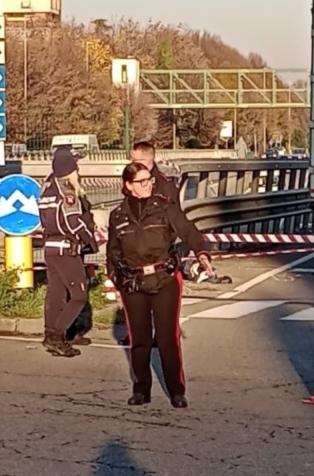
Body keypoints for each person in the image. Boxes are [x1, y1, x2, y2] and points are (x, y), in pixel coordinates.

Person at [106, 161, 213, 408]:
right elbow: (112, 251)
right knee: (139, 339)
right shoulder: (117, 215)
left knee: (167, 338)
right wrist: (116, 279)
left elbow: (189, 231)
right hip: (134, 282)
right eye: (142, 181)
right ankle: (141, 389)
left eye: (150, 180)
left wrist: (201, 253)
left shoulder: (164, 207)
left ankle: (176, 390)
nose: (148, 185)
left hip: (164, 278)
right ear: (128, 185)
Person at [37, 145, 99, 358]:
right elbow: (74, 223)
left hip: (51, 249)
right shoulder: (67, 191)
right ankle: (57, 336)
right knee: (79, 295)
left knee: (56, 294)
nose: (78, 171)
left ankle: (51, 333)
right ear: (68, 169)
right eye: (76, 167)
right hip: (66, 249)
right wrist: (91, 240)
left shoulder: (46, 189)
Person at [129, 141, 181, 205]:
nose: (131, 163)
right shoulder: (131, 179)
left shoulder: (165, 185)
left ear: (148, 160)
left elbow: (173, 208)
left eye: (134, 160)